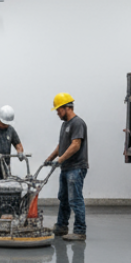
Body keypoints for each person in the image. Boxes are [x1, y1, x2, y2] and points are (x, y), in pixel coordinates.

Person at [43, 93, 88, 241]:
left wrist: (60, 159)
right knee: (63, 198)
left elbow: (76, 145)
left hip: (76, 167)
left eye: (58, 110)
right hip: (66, 167)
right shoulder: (65, 124)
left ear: (66, 108)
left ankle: (80, 231)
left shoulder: (77, 123)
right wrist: (50, 158)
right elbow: (61, 144)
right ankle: (61, 226)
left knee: (75, 199)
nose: (57, 113)